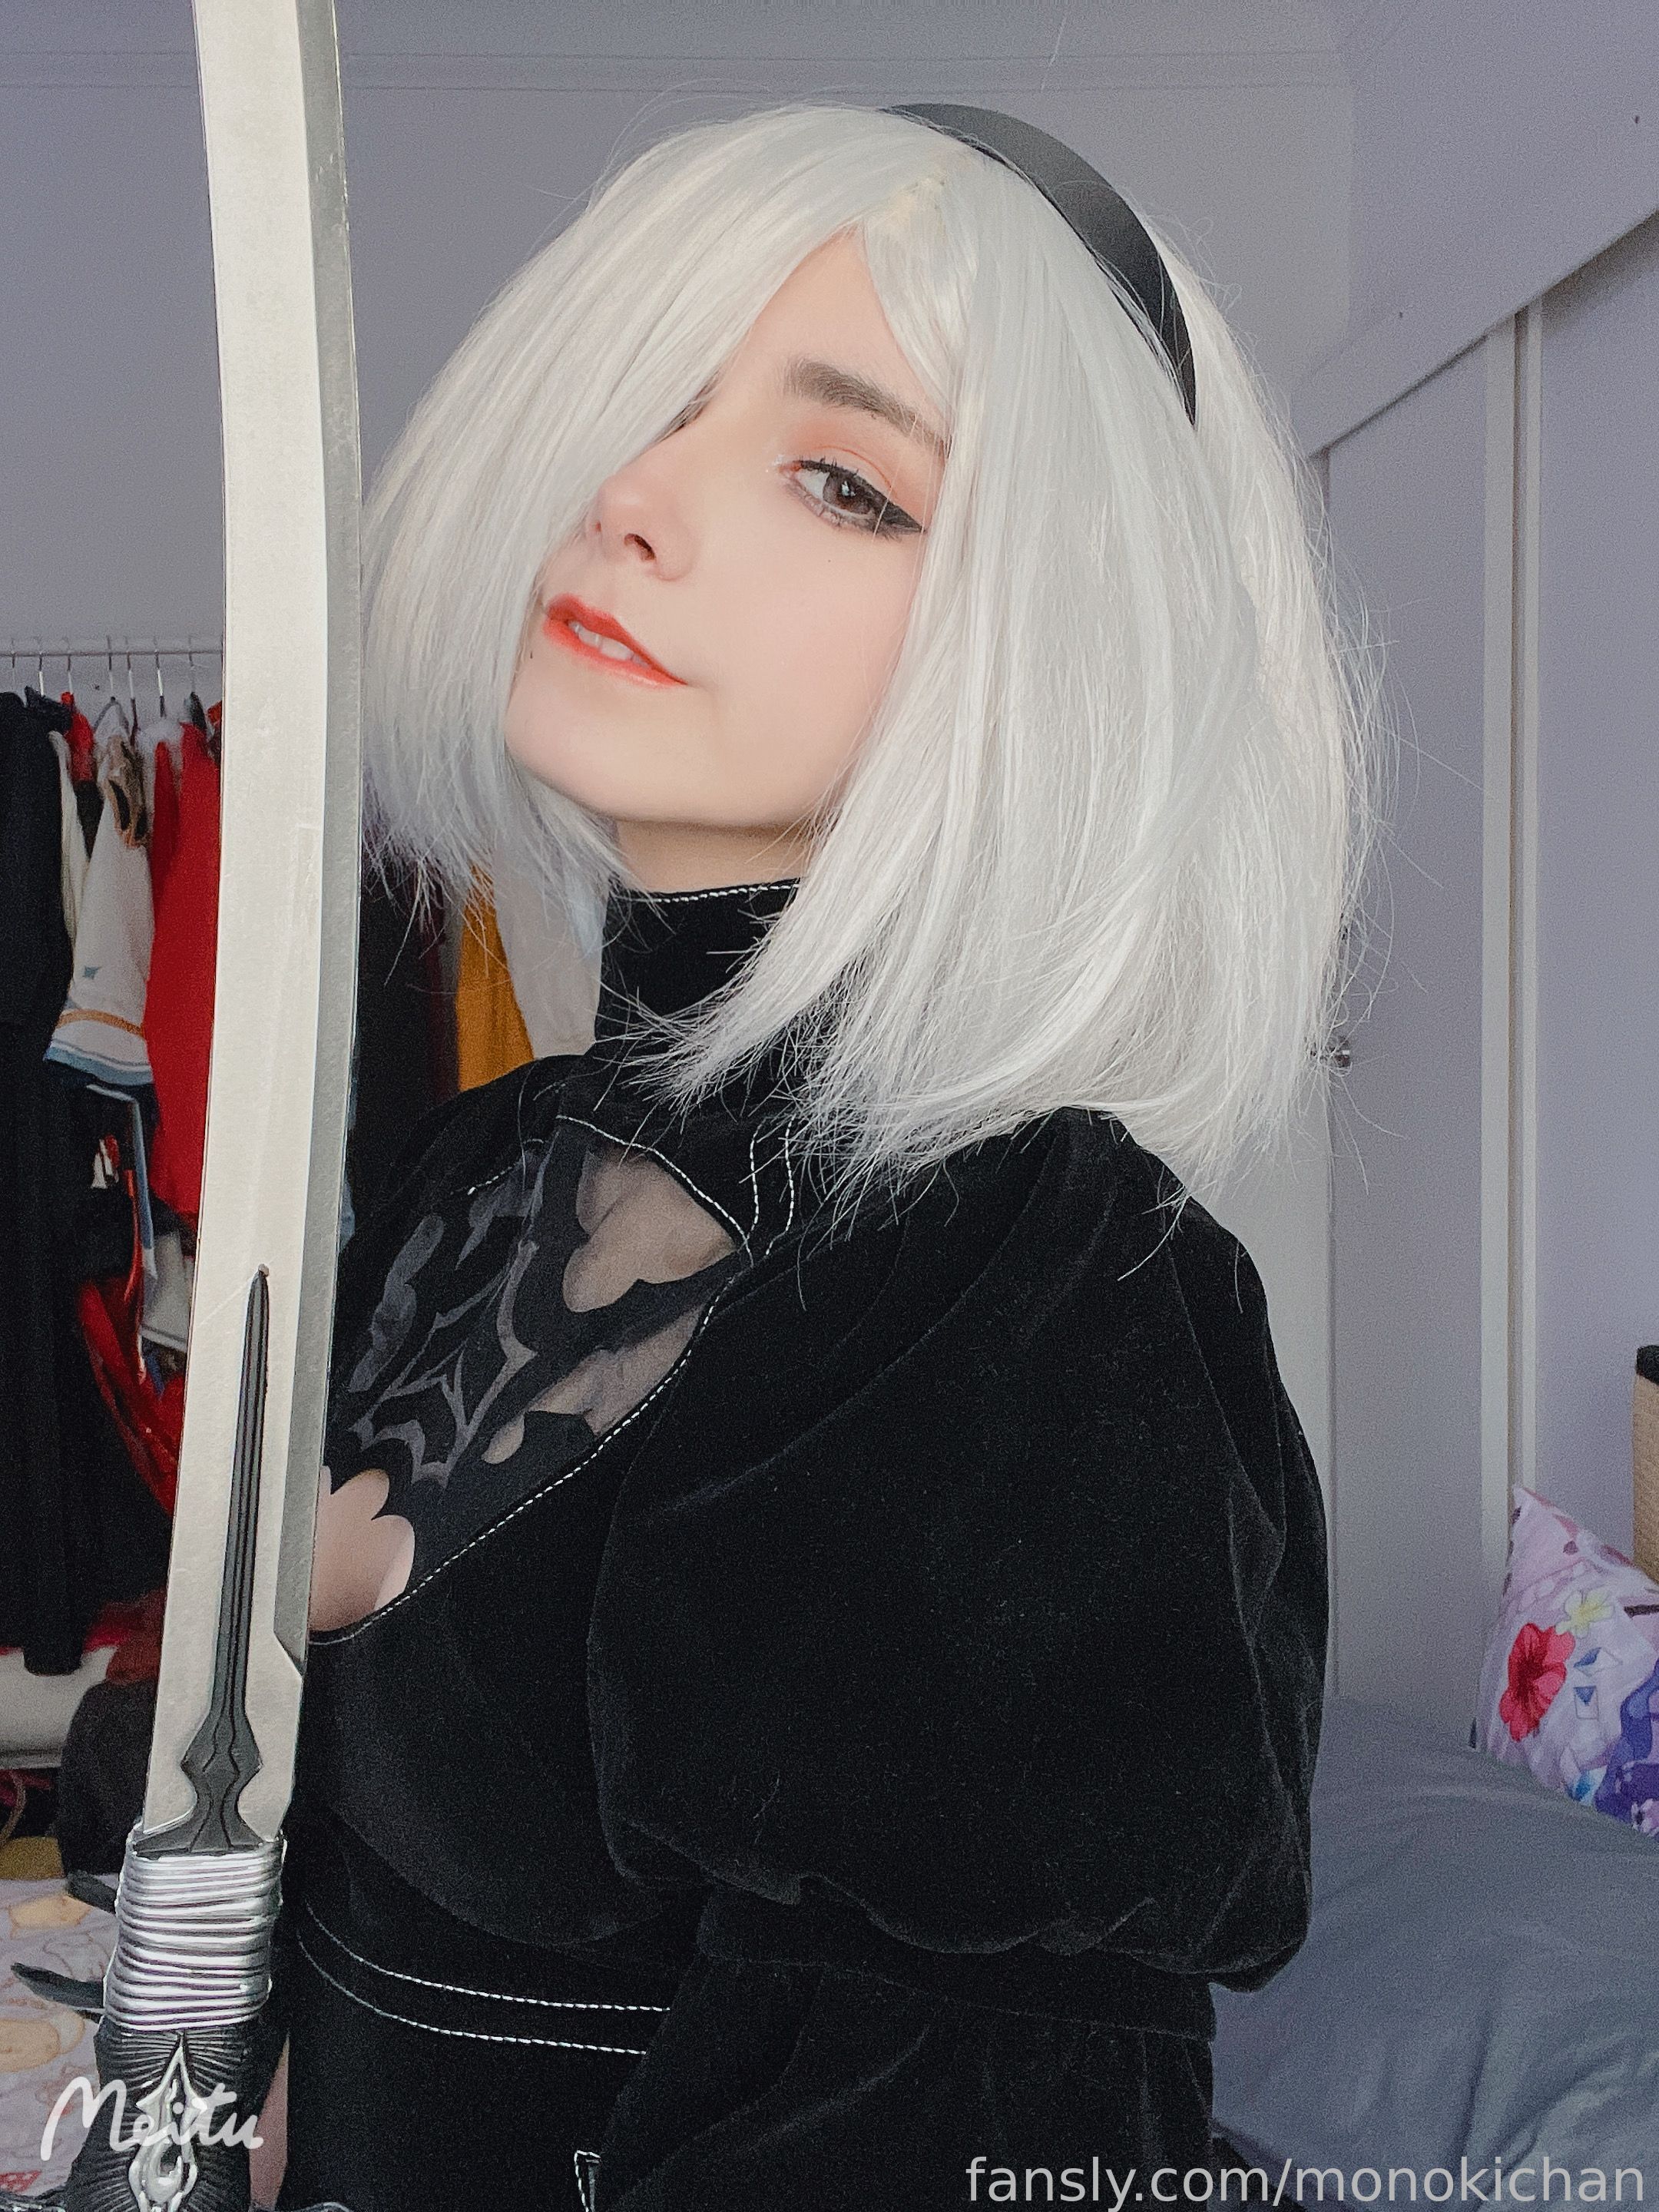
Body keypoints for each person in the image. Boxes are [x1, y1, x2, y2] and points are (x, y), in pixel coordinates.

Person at [253, 98, 1386, 2212]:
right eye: (647, 399)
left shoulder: (1033, 1279)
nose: (636, 501)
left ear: (1056, 647)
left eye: (846, 482)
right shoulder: (473, 1171)